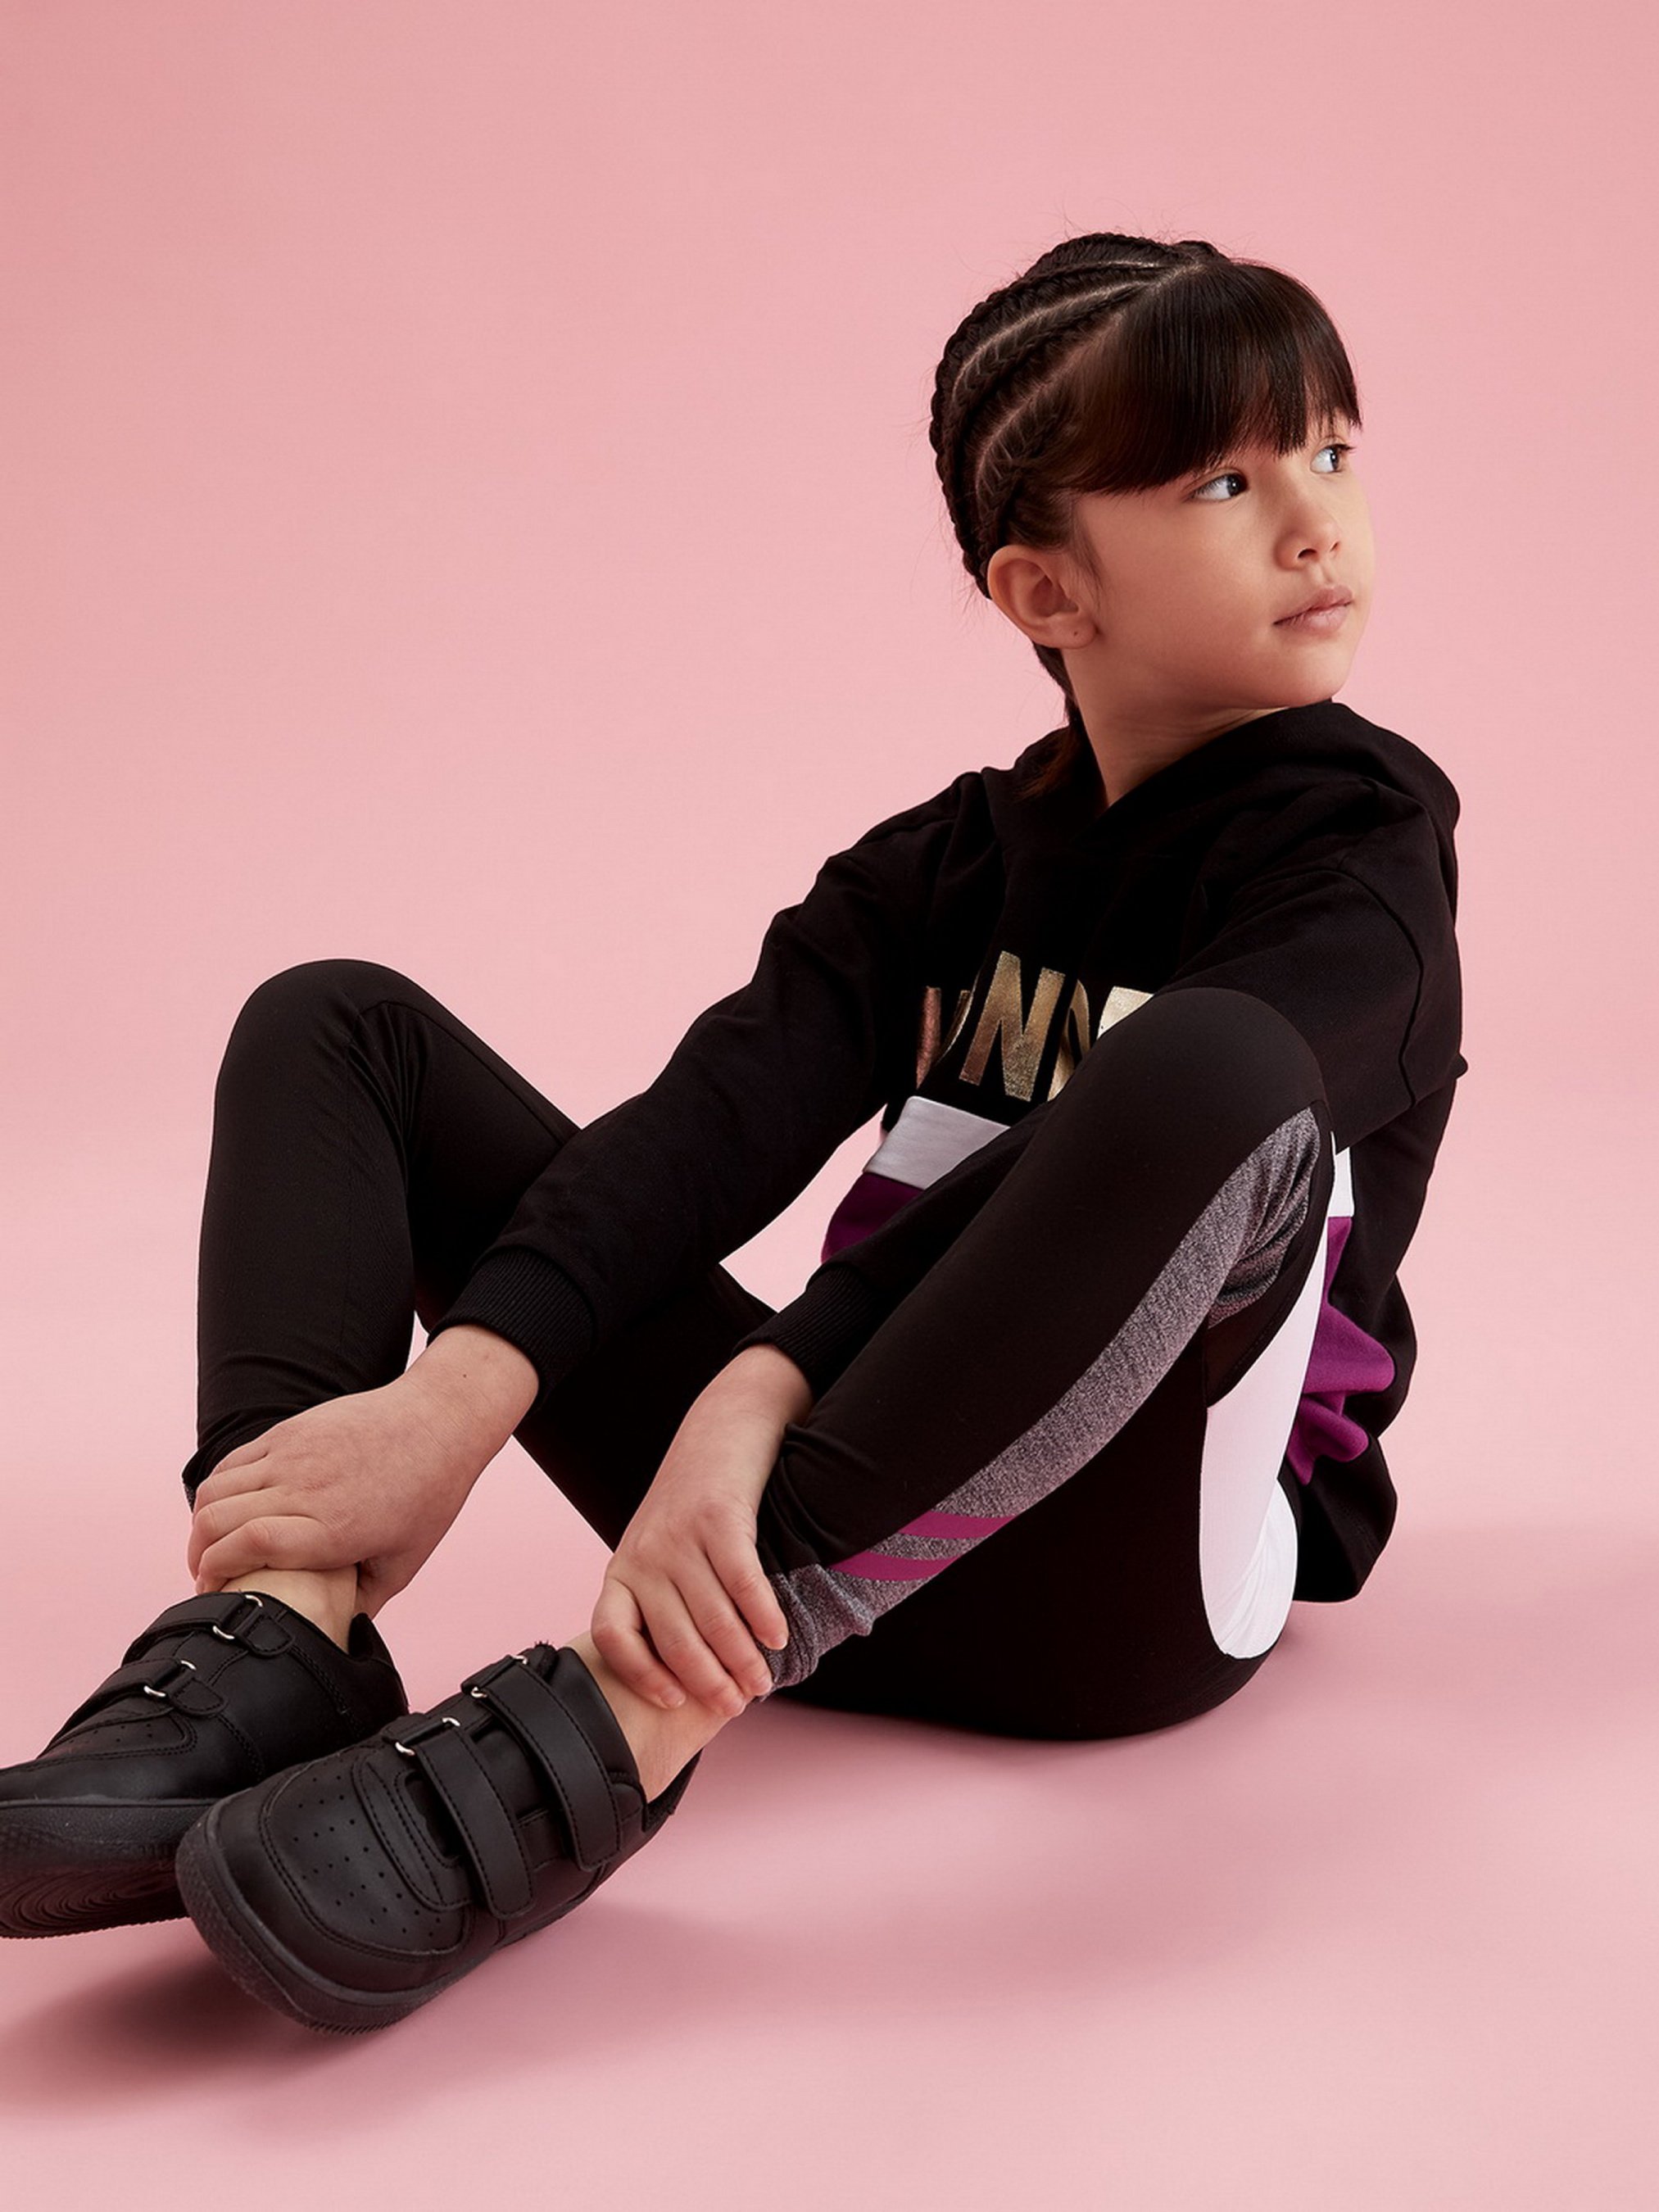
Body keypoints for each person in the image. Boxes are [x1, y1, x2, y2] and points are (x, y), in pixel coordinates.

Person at [0, 230, 1465, 2032]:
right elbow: (703, 1130)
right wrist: (455, 1402)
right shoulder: (946, 864)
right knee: (339, 1027)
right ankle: (283, 1619)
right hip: (766, 1538)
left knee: (1216, 1065)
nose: (1316, 523)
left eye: (1330, 451)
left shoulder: (1367, 860)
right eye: (1224, 481)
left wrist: (767, 1381)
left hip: (1109, 1598)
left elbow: (1184, 1120)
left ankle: (617, 1733)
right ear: (1045, 590)